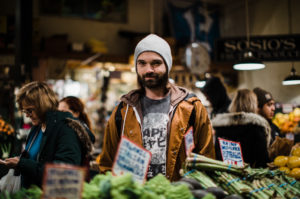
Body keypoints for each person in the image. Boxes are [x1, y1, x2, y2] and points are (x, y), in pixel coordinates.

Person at [98, 34, 215, 181]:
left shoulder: (192, 107)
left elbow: (207, 160)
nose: (148, 70)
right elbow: (107, 164)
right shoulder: (123, 109)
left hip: (179, 195)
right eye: (142, 63)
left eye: (156, 63)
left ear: (167, 65)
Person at [0, 81, 93, 188]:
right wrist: (19, 162)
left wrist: (23, 164)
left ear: (42, 105)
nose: (27, 115)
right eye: (25, 111)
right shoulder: (37, 128)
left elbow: (64, 172)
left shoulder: (66, 129)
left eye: (30, 110)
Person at [212, 89, 271, 168]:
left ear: (233, 103)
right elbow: (263, 160)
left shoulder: (221, 127)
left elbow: (217, 154)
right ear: (254, 104)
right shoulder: (256, 127)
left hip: (226, 174)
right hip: (249, 175)